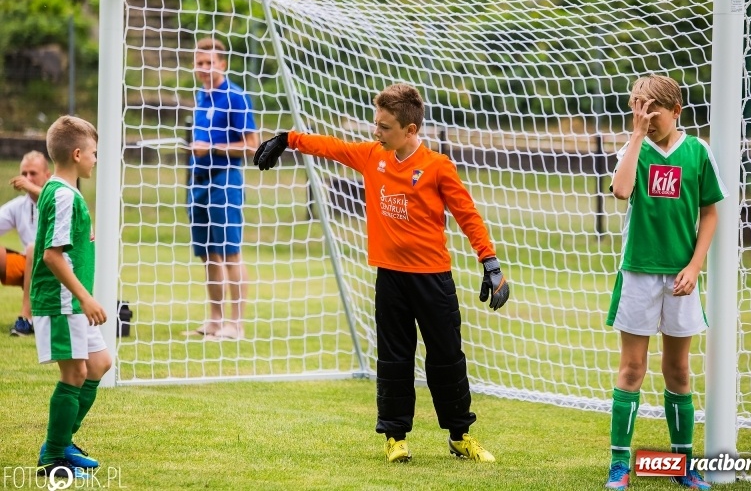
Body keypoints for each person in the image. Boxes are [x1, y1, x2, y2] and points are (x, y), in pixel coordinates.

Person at [254, 83, 510, 463]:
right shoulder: (372, 156)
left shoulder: (438, 167)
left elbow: (467, 215)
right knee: (394, 358)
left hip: (433, 279)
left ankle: (459, 436)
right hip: (390, 278)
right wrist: (287, 139)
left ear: (410, 130)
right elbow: (331, 146)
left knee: (447, 357)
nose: (376, 132)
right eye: (376, 124)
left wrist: (490, 263)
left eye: (385, 126)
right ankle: (395, 437)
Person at [604, 75, 727, 490]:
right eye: (637, 107)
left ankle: (681, 465)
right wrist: (636, 135)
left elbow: (710, 212)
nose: (645, 115)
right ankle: (619, 467)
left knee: (678, 369)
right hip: (638, 272)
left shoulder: (697, 152)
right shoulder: (633, 149)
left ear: (676, 111)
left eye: (652, 107)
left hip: (680, 275)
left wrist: (695, 266)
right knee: (632, 368)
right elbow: (621, 191)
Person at [31, 115, 112, 479]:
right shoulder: (63, 195)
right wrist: (86, 298)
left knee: (98, 363)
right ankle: (54, 455)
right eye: (94, 153)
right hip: (63, 300)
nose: (97, 159)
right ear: (77, 154)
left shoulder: (62, 189)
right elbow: (52, 255)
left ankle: (61, 442)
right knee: (76, 371)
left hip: (73, 301)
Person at [186, 37, 259, 341]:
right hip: (198, 183)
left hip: (225, 180)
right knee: (208, 255)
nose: (204, 68)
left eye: (210, 63)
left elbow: (253, 146)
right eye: (199, 63)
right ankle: (215, 319)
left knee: (230, 254)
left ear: (222, 64)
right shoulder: (200, 97)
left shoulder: (235, 97)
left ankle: (236, 324)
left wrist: (212, 148)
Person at [0, 151, 51, 336]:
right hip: (30, 268)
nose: (27, 178)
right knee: (29, 250)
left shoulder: (58, 197)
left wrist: (31, 187)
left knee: (33, 247)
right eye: (24, 174)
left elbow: (52, 198)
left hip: (58, 268)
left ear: (48, 175)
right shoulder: (19, 205)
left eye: (33, 173)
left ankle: (26, 319)